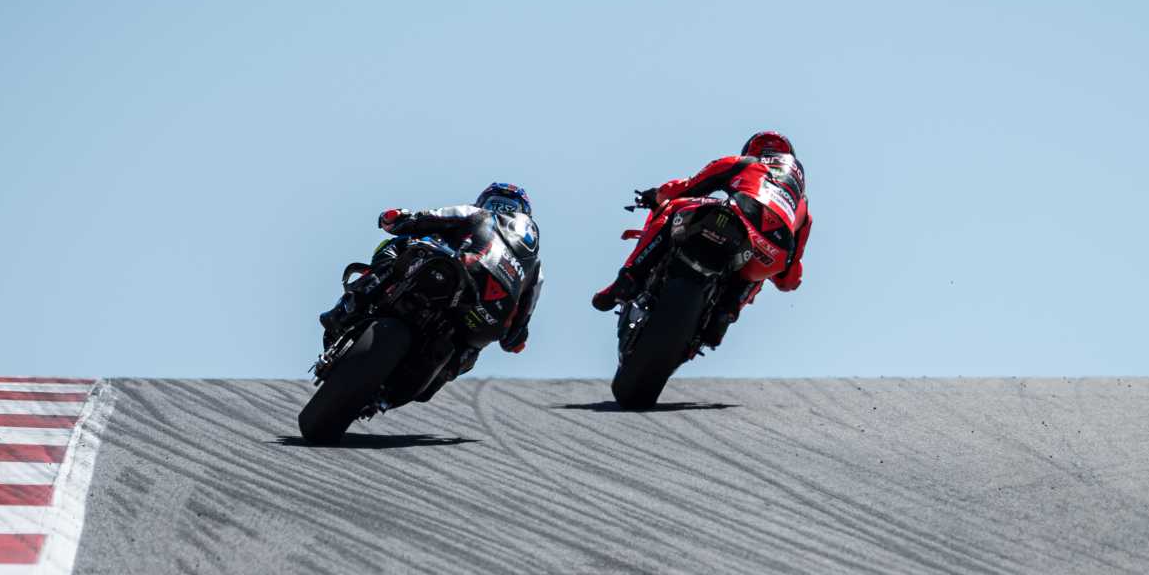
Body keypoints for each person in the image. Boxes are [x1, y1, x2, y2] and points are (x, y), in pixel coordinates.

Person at [592, 132, 809, 345]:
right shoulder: (803, 208)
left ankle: (627, 279)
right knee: (756, 276)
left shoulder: (744, 163)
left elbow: (687, 188)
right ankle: (724, 316)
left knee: (673, 207)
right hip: (775, 250)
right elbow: (789, 280)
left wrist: (656, 195)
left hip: (740, 214)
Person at [322, 182, 543, 371]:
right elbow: (523, 319)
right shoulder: (535, 264)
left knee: (399, 244)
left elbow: (430, 217)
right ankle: (439, 372)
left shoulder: (477, 212)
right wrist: (515, 336)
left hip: (463, 268)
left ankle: (348, 307)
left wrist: (397, 219)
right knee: (469, 351)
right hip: (491, 312)